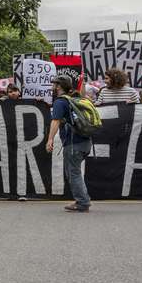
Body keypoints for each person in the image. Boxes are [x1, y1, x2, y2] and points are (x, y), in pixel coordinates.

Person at [46, 74, 91, 212]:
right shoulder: (75, 99)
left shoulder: (60, 102)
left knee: (73, 173)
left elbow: (56, 120)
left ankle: (82, 202)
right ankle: (83, 199)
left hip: (73, 143)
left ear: (59, 86)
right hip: (85, 141)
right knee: (73, 172)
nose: (52, 87)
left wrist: (50, 139)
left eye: (54, 85)